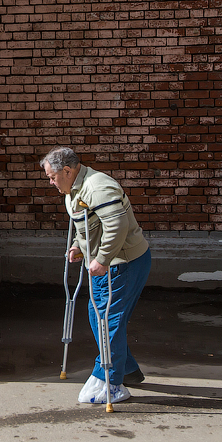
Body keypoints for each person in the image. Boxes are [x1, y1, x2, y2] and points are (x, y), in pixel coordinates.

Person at [40, 147, 152, 404]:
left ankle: (110, 381)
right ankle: (127, 368)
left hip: (123, 263)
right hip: (110, 264)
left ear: (67, 171)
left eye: (52, 177)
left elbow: (116, 225)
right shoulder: (73, 190)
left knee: (108, 319)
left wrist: (102, 259)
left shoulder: (97, 187)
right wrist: (79, 246)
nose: (51, 182)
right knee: (98, 315)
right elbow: (88, 225)